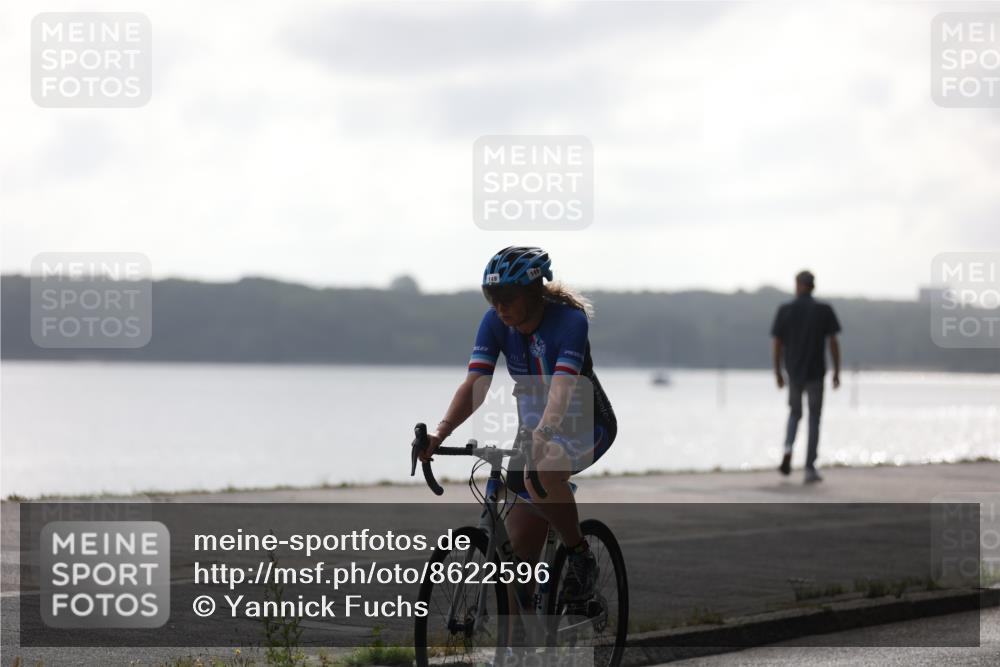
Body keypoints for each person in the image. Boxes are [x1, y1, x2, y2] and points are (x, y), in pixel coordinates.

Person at [419, 246, 617, 605]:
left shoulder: (570, 321)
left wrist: (543, 433)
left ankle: (579, 554)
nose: (499, 306)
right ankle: (515, 651)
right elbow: (474, 385)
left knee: (540, 473)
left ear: (534, 291)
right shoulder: (495, 322)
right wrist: (440, 432)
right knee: (516, 571)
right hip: (534, 432)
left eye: (507, 297)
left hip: (585, 423)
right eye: (491, 297)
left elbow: (562, 387)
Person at [770, 270, 841, 483]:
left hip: (794, 371)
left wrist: (778, 372)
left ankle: (788, 448)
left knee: (794, 413)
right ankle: (810, 467)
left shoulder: (785, 310)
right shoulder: (824, 310)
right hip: (816, 372)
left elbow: (777, 344)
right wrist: (837, 371)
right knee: (814, 418)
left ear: (798, 285)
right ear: (813, 286)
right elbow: (833, 342)